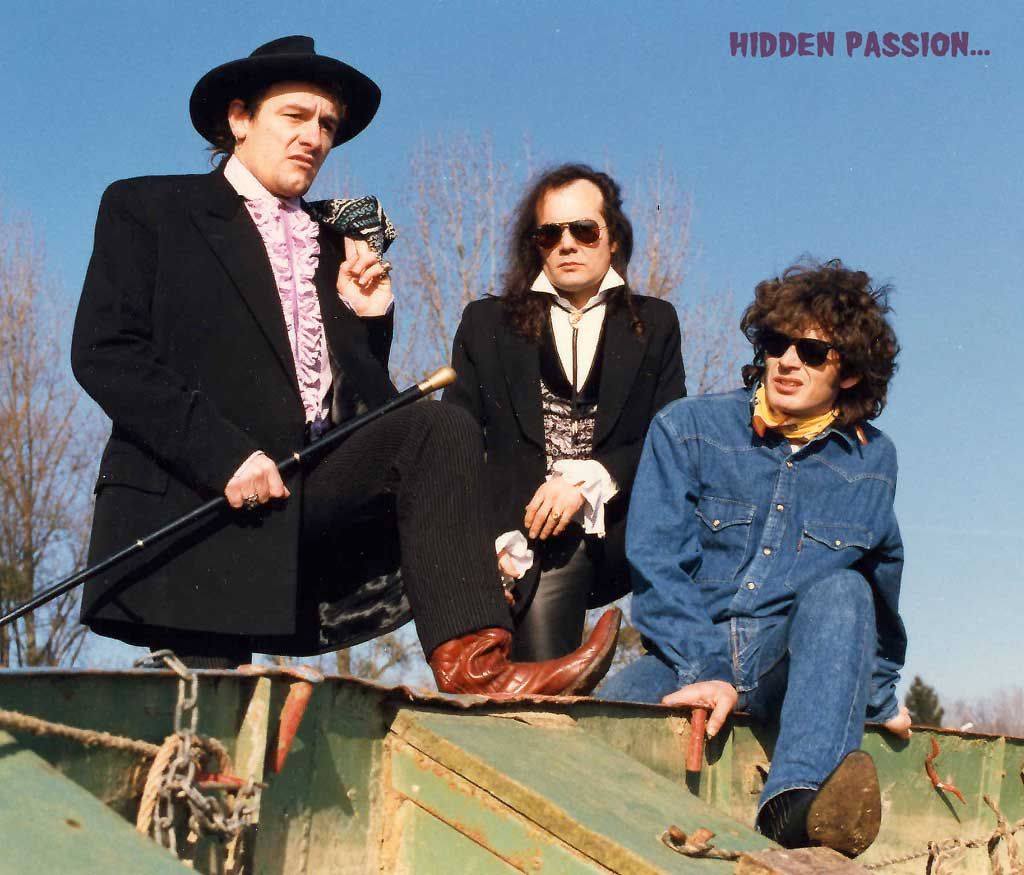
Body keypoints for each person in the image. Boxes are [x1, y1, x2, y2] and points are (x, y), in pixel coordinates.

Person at [71, 36, 621, 695]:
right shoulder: (148, 207)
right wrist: (225, 457)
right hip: (197, 506)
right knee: (210, 711)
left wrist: (367, 320)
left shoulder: (339, 242)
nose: (314, 137)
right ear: (240, 118)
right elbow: (106, 350)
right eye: (295, 116)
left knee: (435, 426)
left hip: (305, 504)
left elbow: (358, 413)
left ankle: (479, 666)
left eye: (327, 125)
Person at [600, 259, 912, 856]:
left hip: (785, 667)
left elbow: (879, 584)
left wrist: (878, 695)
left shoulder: (873, 460)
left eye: (812, 352)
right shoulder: (688, 428)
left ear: (850, 372)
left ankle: (795, 805)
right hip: (687, 656)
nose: (788, 361)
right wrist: (706, 668)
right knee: (581, 741)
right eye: (776, 343)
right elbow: (658, 564)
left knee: (844, 589)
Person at [443, 165, 685, 660]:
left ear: (613, 238)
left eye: (584, 230)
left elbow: (669, 438)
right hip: (512, 542)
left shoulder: (655, 322)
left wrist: (590, 479)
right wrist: (485, 544)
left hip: (620, 531)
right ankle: (547, 695)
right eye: (550, 233)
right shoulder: (486, 323)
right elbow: (457, 442)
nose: (567, 244)